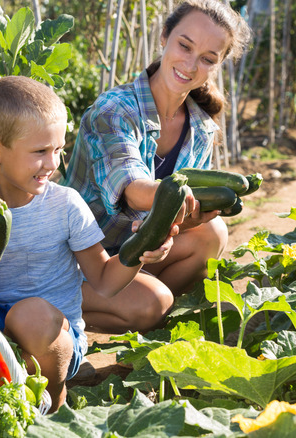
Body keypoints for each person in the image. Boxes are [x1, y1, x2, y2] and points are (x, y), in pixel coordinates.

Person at [0, 76, 177, 411]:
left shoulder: (66, 204)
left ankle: (53, 399)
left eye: (58, 150)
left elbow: (105, 280)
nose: (53, 164)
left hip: (51, 339)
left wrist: (141, 249)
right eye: (40, 152)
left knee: (31, 315)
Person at [61, 0, 252, 334]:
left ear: (218, 64)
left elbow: (170, 220)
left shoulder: (201, 128)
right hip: (79, 260)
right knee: (153, 303)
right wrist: (177, 201)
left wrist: (186, 218)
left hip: (134, 251)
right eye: (184, 45)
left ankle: (148, 317)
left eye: (208, 59)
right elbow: (132, 190)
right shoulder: (114, 110)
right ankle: (45, 310)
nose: (191, 65)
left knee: (213, 232)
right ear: (164, 37)